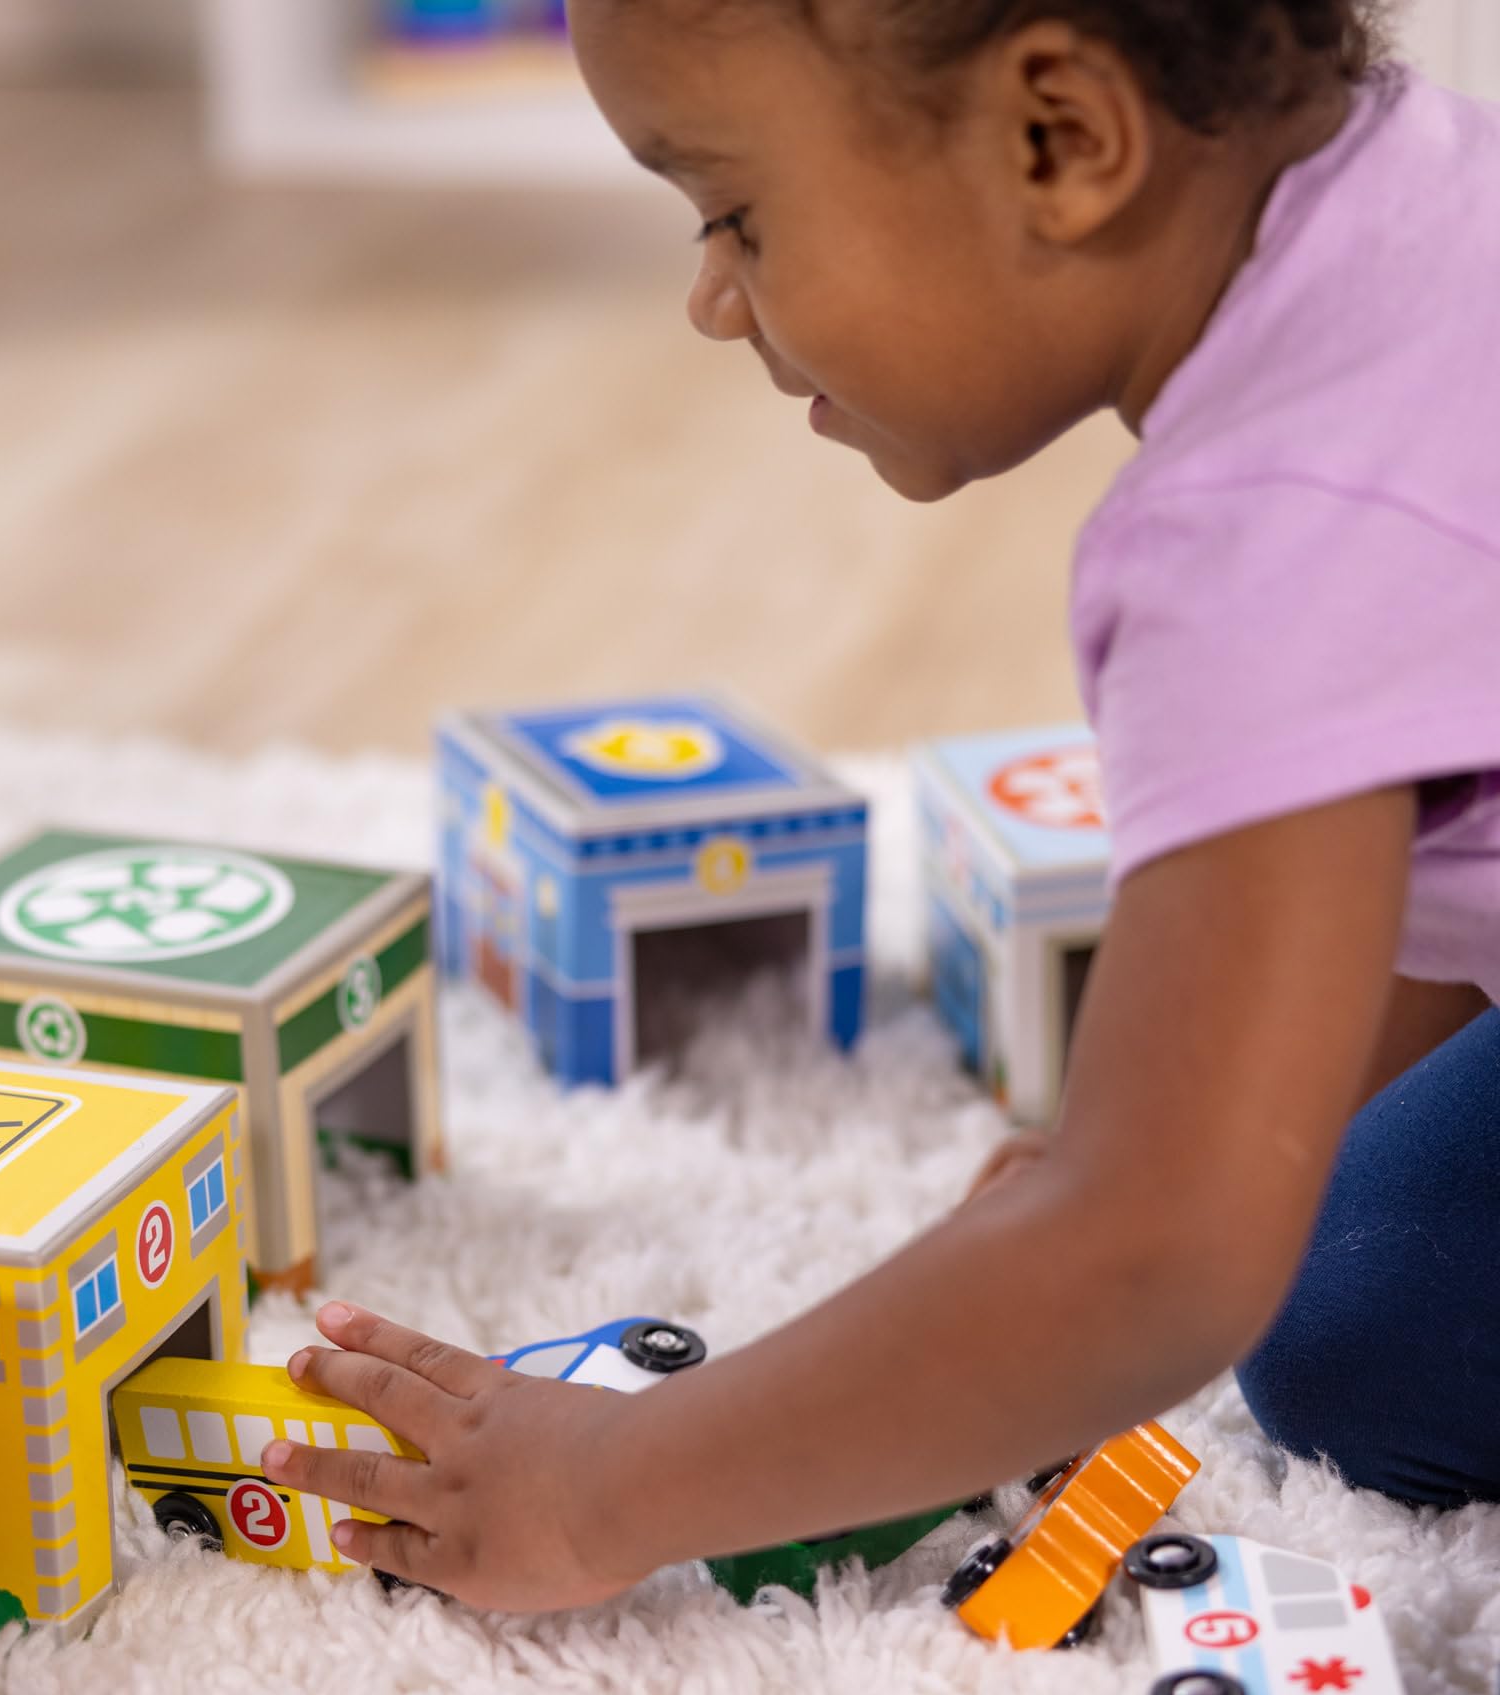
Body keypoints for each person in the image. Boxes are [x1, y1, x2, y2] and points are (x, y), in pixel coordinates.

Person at [262, 0, 1500, 1611]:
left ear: (1059, 138)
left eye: (736, 213)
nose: (711, 297)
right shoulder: (1430, 195)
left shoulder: (1269, 538)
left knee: (1353, 1337)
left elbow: (1153, 1267)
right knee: (1350, 1253)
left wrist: (607, 1488)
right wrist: (1194, 1117)